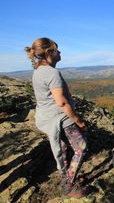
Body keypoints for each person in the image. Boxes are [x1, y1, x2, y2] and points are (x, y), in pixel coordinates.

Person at [25, 38, 87, 198]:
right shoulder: (52, 73)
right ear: (48, 52)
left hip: (46, 118)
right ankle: (69, 184)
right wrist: (78, 120)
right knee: (81, 147)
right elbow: (62, 102)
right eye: (56, 50)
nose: (60, 53)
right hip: (60, 118)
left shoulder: (38, 70)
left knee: (63, 149)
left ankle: (67, 177)